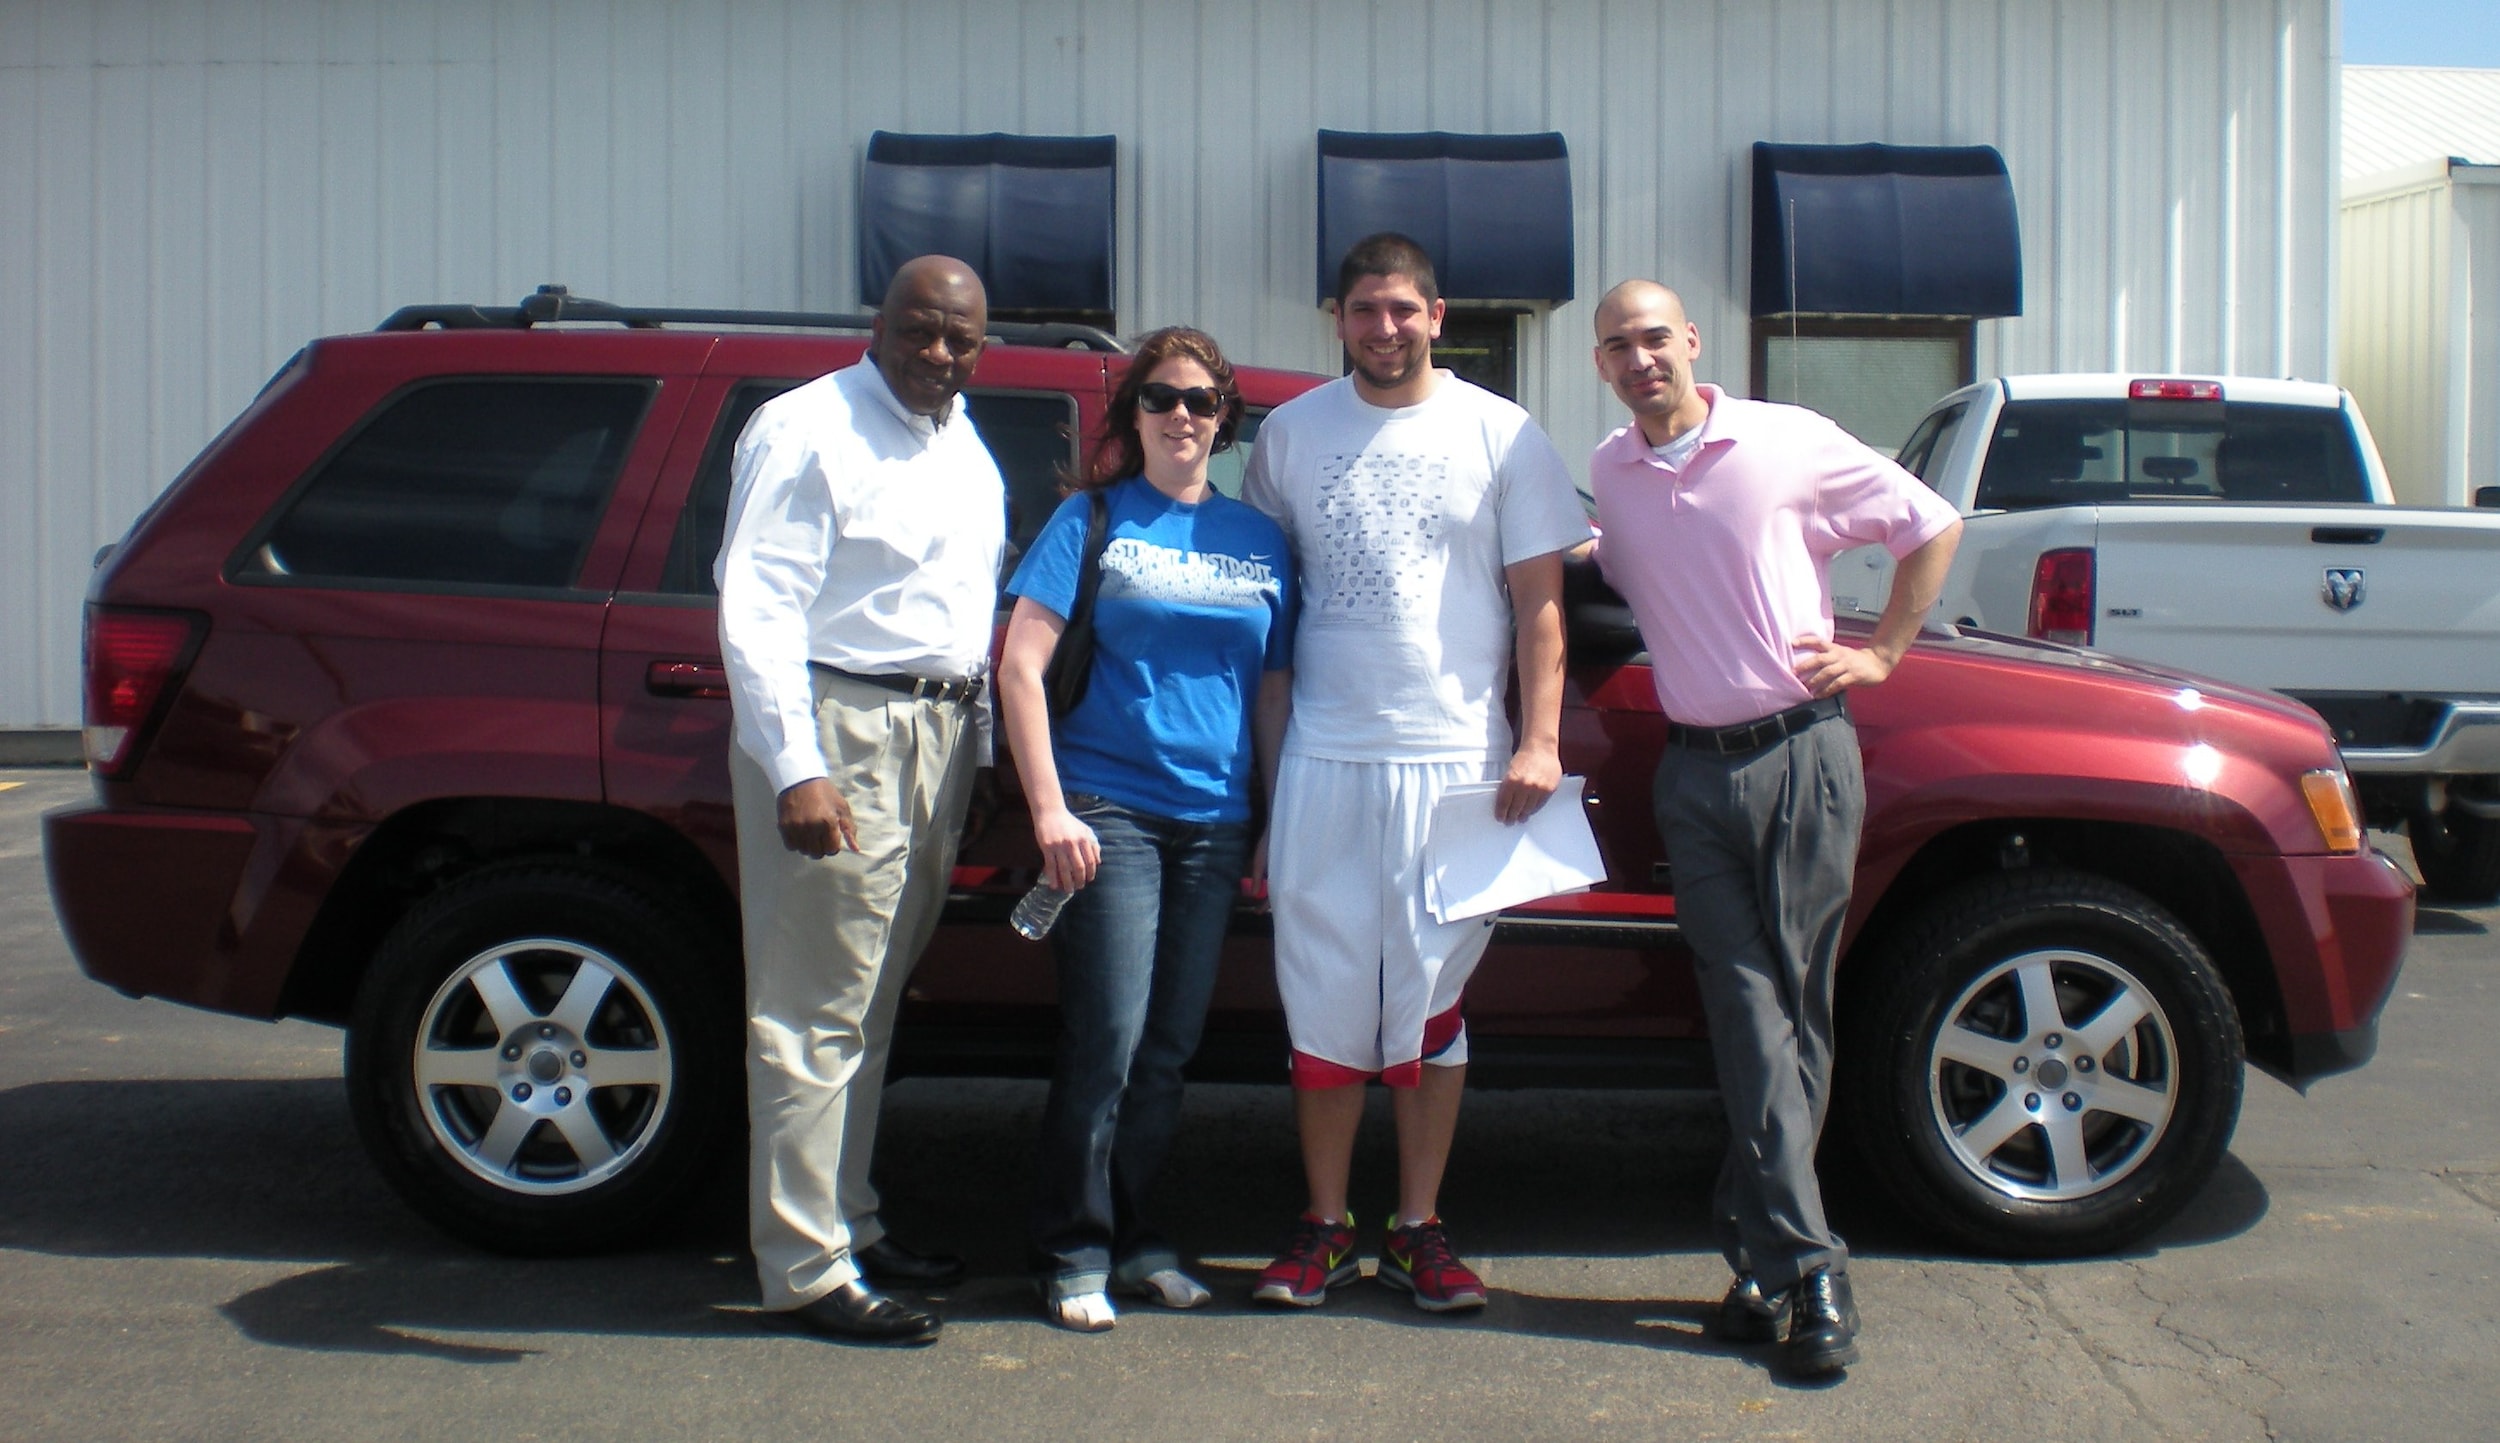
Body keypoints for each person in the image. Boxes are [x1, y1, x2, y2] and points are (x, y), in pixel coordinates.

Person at [1585, 279, 1962, 1377]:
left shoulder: (1786, 440)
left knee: (1788, 1015)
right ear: (1601, 364)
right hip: (1691, 778)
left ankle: (1796, 1270)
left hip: (1800, 756)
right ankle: (1779, 1267)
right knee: (1749, 1017)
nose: (1639, 358)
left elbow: (1928, 524)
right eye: (1618, 346)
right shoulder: (1614, 468)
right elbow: (1603, 565)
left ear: (1691, 342)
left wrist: (1885, 651)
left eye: (1655, 338)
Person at [1241, 233, 1592, 1313]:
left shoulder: (1503, 432)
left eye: (1402, 309)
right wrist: (1264, 791)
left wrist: (1538, 741)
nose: (1383, 329)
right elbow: (1267, 623)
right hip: (1325, 759)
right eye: (1362, 311)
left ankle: (1419, 1229)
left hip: (1458, 766)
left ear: (1438, 315)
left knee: (1433, 1005)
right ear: (1336, 320)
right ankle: (1323, 1226)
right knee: (1325, 1005)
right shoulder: (1290, 436)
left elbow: (1541, 603)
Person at [716, 255, 1005, 1347]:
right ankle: (802, 1265)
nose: (938, 354)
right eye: (921, 331)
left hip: (929, 739)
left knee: (869, 1003)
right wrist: (795, 766)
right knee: (811, 1010)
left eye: (960, 339)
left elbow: (959, 617)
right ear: (877, 325)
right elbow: (758, 607)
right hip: (843, 731)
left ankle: (847, 1219)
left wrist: (972, 763)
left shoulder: (960, 441)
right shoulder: (808, 428)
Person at [996, 327, 1296, 1333]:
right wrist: (1048, 810)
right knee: (1109, 1038)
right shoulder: (1090, 520)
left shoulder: (1259, 542)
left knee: (1168, 1045)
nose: (1181, 416)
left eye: (1201, 401)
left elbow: (1271, 692)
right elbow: (1019, 668)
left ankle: (1133, 1235)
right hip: (1107, 814)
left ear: (1225, 419)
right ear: (1132, 413)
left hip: (1214, 821)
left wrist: (1270, 813)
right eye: (1161, 399)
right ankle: (1069, 1247)